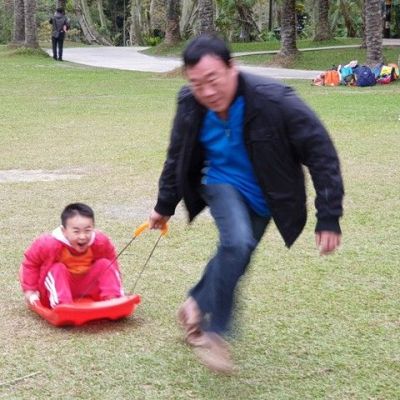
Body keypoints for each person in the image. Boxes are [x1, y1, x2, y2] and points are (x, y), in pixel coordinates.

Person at [148, 34, 344, 374]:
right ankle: (215, 332)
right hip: (217, 180)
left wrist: (328, 216)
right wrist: (164, 205)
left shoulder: (275, 101)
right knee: (237, 242)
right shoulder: (190, 103)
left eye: (213, 79)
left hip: (265, 195)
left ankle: (196, 302)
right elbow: (177, 155)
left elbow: (321, 152)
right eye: (197, 84)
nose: (207, 92)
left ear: (232, 68)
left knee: (235, 255)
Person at [20, 203, 124, 308]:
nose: (82, 236)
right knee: (57, 268)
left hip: (89, 286)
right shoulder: (48, 244)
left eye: (87, 230)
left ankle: (113, 300)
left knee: (105, 264)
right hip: (58, 289)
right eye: (76, 231)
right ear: (64, 231)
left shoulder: (100, 242)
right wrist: (30, 290)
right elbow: (31, 264)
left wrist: (115, 285)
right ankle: (62, 305)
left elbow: (112, 260)